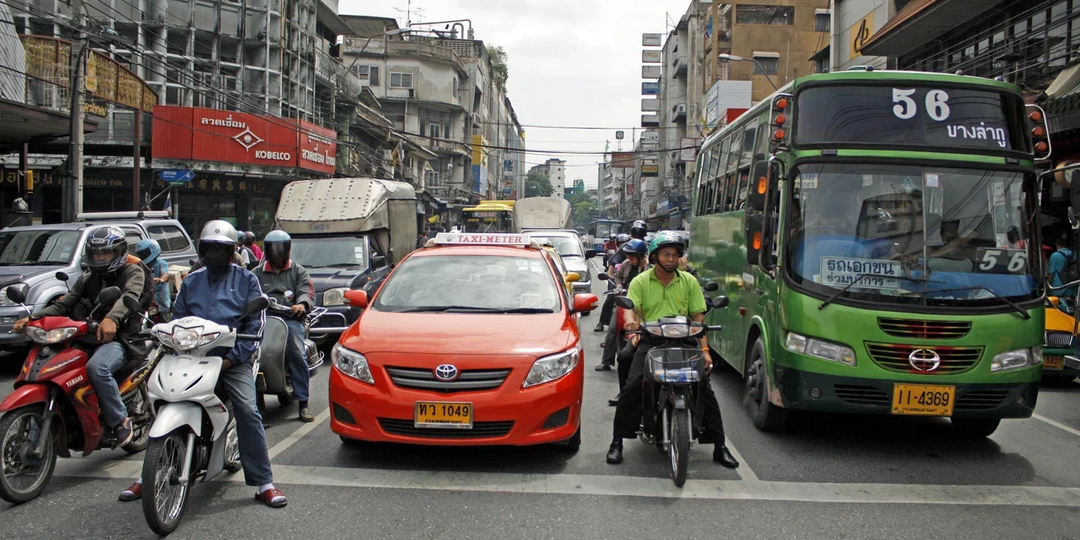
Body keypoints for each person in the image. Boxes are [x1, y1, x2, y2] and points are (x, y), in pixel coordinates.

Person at [118, 220, 286, 508]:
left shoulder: (247, 280)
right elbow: (178, 318)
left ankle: (263, 482)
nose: (216, 255)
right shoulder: (193, 281)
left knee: (247, 408)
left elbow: (255, 325)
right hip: (190, 354)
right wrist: (169, 336)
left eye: (222, 250)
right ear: (202, 251)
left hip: (230, 358)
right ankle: (148, 476)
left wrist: (232, 359)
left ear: (233, 251)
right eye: (210, 249)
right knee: (159, 395)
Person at [606, 233, 739, 469]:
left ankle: (720, 446)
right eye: (666, 254)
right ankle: (617, 441)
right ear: (655, 256)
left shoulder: (689, 281)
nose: (671, 258)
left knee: (704, 389)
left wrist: (705, 350)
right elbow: (631, 309)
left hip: (684, 341)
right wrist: (632, 325)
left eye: (675, 254)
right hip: (651, 341)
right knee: (634, 384)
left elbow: (699, 317)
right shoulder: (640, 281)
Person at [13, 227, 147, 448]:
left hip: (121, 340)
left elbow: (128, 297)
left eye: (106, 253)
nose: (100, 258)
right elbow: (64, 305)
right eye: (96, 254)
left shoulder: (133, 273)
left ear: (120, 252)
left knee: (97, 368)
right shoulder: (87, 278)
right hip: (86, 337)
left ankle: (119, 420)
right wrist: (33, 318)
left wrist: (112, 319)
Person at [254, 230, 315, 423]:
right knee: (251, 354)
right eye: (274, 248)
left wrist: (301, 304)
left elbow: (306, 292)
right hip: (263, 320)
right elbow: (248, 295)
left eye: (281, 248)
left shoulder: (298, 271)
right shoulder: (256, 273)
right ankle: (257, 403)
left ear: (288, 250)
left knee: (297, 353)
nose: (277, 252)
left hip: (290, 319)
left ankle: (303, 403)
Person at [596, 239, 649, 397]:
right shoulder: (626, 264)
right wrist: (619, 287)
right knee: (613, 330)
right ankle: (607, 361)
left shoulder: (650, 269)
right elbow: (617, 277)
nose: (629, 258)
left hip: (644, 309)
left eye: (632, 255)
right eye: (627, 255)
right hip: (626, 303)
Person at [135, 238, 172, 321]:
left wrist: (160, 280)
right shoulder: (141, 266)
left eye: (144, 254)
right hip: (148, 303)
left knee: (166, 323)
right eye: (141, 254)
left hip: (162, 303)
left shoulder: (161, 263)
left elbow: (165, 275)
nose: (142, 257)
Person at [1049, 235, 1078, 306]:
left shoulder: (1055, 255)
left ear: (1058, 245)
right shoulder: (1075, 254)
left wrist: (1047, 286)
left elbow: (1051, 274)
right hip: (1073, 288)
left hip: (1058, 289)